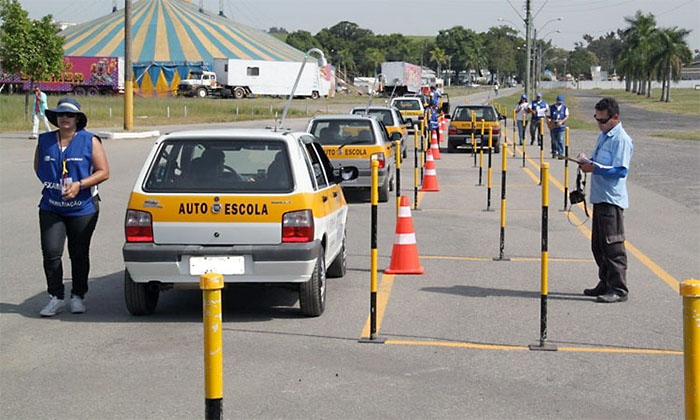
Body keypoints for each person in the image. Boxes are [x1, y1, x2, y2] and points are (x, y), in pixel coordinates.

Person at [34, 98, 110, 316]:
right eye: (60, 115)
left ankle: (78, 295)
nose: (64, 118)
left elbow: (103, 171)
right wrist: (55, 186)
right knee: (51, 253)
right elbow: (38, 166)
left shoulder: (89, 140)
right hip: (52, 206)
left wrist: (80, 184)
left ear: (77, 119)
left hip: (82, 208)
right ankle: (55, 297)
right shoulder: (46, 140)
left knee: (78, 253)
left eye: (69, 115)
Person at [577, 97, 633, 303]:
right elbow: (599, 161)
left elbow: (620, 170)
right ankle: (605, 281)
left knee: (613, 246)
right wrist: (586, 161)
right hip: (599, 197)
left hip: (612, 199)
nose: (599, 124)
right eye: (597, 119)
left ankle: (618, 288)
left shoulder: (621, 140)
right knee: (598, 245)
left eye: (603, 120)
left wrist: (595, 168)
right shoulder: (604, 136)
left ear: (615, 117)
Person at [548, 94, 569, 158]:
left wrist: (562, 121)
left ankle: (560, 153)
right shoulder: (551, 108)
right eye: (559, 102)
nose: (560, 103)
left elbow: (567, 116)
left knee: (560, 140)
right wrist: (550, 123)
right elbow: (548, 117)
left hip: (561, 127)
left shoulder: (564, 108)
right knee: (554, 140)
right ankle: (554, 152)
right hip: (553, 126)